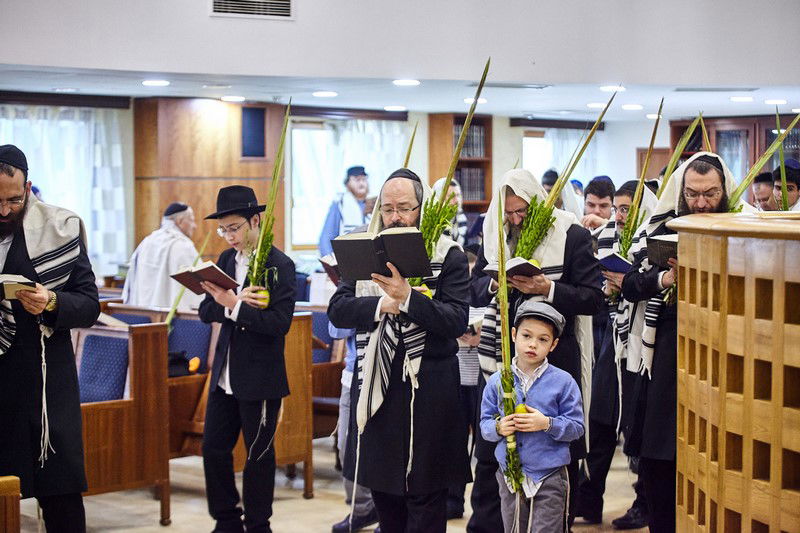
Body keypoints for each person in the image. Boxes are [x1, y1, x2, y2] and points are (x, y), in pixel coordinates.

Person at [328, 168, 470, 533]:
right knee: (386, 497)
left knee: (425, 499)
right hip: (378, 386)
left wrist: (408, 298)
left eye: (404, 208)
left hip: (429, 391)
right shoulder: (362, 249)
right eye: (388, 208)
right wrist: (383, 305)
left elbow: (456, 321)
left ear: (421, 208)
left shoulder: (448, 254)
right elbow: (339, 309)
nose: (395, 217)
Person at [469, 169, 603, 532]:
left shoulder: (571, 233)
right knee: (494, 450)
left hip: (555, 355)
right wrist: (495, 282)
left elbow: (593, 298)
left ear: (537, 204)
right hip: (503, 354)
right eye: (508, 213)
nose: (515, 220)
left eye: (522, 212)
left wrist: (547, 288)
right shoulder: (496, 234)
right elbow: (475, 285)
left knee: (554, 450)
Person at [621, 153, 745, 532]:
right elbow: (630, 284)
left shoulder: (746, 227)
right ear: (680, 192)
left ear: (725, 191)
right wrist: (666, 278)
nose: (701, 203)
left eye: (710, 194)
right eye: (692, 194)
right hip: (667, 351)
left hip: (724, 352)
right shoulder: (659, 227)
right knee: (660, 455)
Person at [0, 144, 101, 532]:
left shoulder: (61, 228)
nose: (5, 210)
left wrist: (52, 301)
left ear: (28, 187)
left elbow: (89, 305)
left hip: (46, 380)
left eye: (14, 200)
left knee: (60, 489)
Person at [199, 185, 296, 533]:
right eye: (223, 230)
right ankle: (226, 521)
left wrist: (234, 306)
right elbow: (205, 310)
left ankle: (258, 526)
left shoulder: (279, 265)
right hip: (224, 375)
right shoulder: (226, 261)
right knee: (213, 449)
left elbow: (279, 324)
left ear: (255, 221)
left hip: (260, 377)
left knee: (258, 455)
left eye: (234, 228)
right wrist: (232, 303)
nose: (229, 237)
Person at [575, 180, 648, 528]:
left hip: (642, 343)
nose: (618, 216)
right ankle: (587, 501)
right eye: (617, 208)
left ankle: (644, 503)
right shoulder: (604, 236)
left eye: (625, 209)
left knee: (639, 428)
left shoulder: (652, 237)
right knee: (600, 420)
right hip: (612, 339)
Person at [480, 301, 584, 533]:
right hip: (510, 475)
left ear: (553, 345)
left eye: (543, 339)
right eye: (526, 336)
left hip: (550, 475)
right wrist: (498, 427)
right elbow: (484, 424)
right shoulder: (498, 380)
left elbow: (577, 427)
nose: (533, 344)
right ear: (513, 335)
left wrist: (547, 423)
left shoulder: (563, 381)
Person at [329, 320, 379, 533]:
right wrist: (364, 311)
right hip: (352, 377)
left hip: (386, 377)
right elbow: (335, 330)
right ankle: (363, 509)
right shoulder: (350, 295)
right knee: (345, 448)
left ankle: (388, 513)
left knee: (383, 452)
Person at [122, 202, 203, 310]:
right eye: (191, 220)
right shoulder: (183, 246)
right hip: (175, 316)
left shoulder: (146, 242)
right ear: (180, 221)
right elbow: (200, 287)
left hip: (143, 313)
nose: (194, 226)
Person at [319, 166, 370, 256]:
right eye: (357, 180)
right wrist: (330, 259)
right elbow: (326, 237)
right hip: (346, 256)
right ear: (347, 183)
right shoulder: (340, 203)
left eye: (364, 179)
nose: (361, 183)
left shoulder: (373, 204)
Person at [432, 177, 468, 246]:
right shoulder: (432, 222)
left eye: (458, 195)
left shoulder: (462, 218)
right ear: (439, 198)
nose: (457, 200)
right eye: (452, 196)